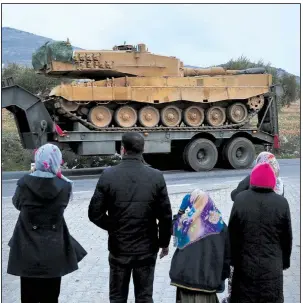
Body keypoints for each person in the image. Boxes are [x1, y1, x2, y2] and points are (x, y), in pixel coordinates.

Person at [88, 132, 172, 303]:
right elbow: (165, 216)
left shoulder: (108, 175)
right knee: (144, 297)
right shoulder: (156, 176)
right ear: (143, 149)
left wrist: (114, 227)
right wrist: (164, 243)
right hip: (147, 247)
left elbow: (94, 213)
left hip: (119, 248)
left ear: (122, 149)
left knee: (118, 297)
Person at [7, 143, 87, 303]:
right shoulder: (65, 185)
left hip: (26, 246)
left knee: (28, 296)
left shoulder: (24, 182)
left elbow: (17, 204)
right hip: (54, 248)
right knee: (51, 296)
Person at [222, 151, 285, 303]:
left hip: (247, 247)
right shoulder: (280, 186)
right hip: (271, 252)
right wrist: (284, 260)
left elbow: (233, 229)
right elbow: (285, 234)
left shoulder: (251, 180)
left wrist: (231, 257)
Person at [169, 189, 231, 303]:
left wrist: (181, 211)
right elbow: (227, 257)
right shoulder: (221, 226)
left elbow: (171, 228)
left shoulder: (185, 223)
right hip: (209, 282)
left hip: (184, 280)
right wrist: (222, 277)